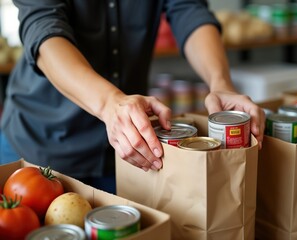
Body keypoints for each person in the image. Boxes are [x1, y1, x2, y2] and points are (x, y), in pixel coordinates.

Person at [0, 0, 265, 193]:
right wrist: (109, 104)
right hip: (38, 145)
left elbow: (188, 8)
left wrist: (221, 83)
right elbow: (42, 26)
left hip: (127, 150)